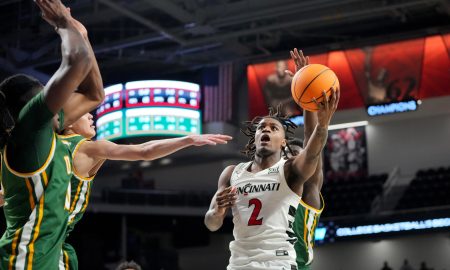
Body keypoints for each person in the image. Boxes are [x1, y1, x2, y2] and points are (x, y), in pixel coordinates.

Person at [0, 0, 104, 268]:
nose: (62, 99)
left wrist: (82, 35)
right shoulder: (29, 130)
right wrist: (63, 24)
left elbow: (94, 95)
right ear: (33, 104)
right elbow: (77, 62)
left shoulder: (48, 129)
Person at [56, 112, 232, 269]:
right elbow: (144, 151)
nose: (90, 116)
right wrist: (188, 140)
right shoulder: (89, 148)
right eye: (84, 112)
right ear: (68, 122)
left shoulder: (49, 146)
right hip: (52, 243)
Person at [204, 75, 339, 270]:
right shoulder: (232, 172)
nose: (266, 129)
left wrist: (320, 121)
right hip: (239, 263)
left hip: (282, 262)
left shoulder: (293, 172)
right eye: (262, 127)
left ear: (282, 142)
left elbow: (312, 150)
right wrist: (216, 213)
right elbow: (211, 223)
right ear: (255, 137)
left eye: (273, 127)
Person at [284, 48, 325, 270]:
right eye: (288, 154)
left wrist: (306, 95)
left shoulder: (309, 190)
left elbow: (311, 140)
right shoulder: (273, 185)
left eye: (297, 154)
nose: (292, 158)